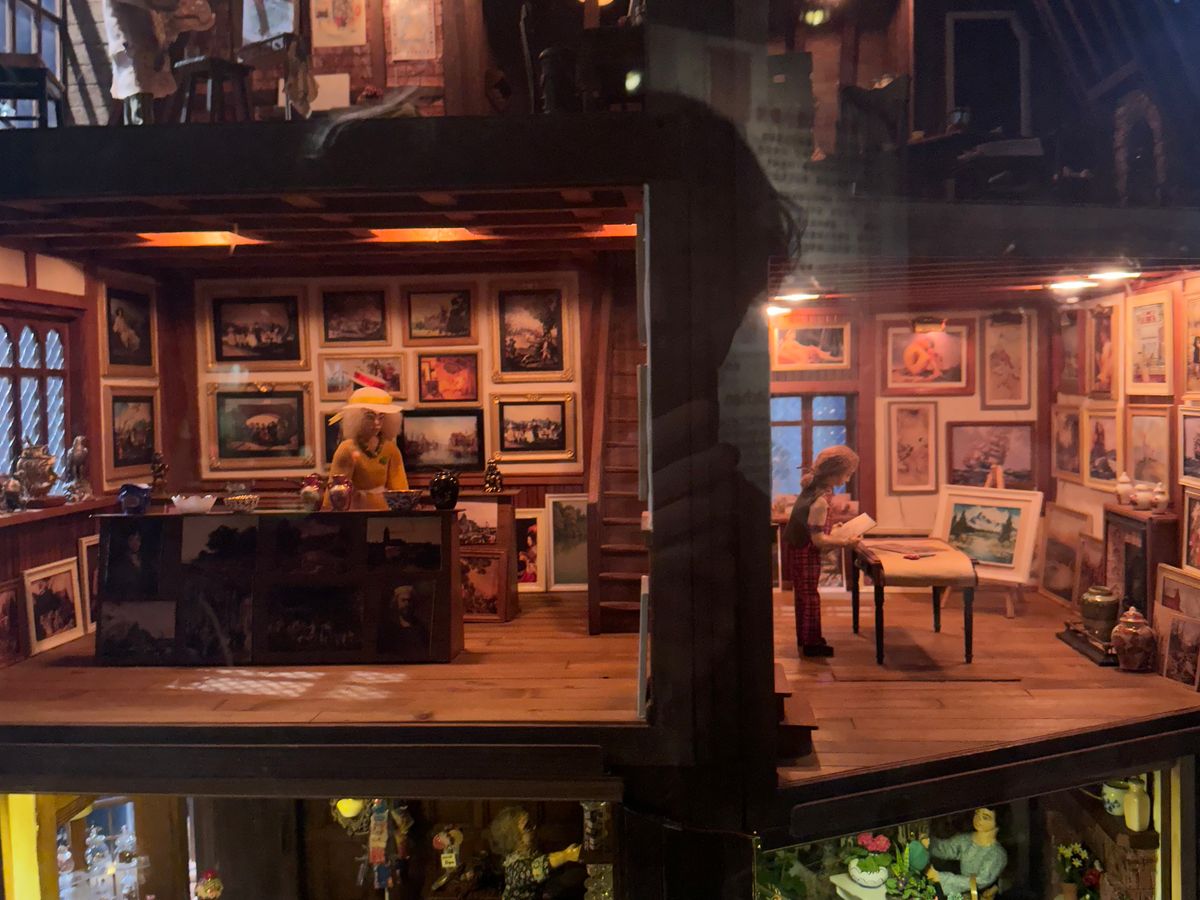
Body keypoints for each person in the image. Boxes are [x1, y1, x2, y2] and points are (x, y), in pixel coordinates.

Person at [783, 445, 861, 657]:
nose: (847, 479)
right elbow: (817, 540)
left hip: (797, 547)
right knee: (810, 597)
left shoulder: (811, 490)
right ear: (834, 473)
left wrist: (834, 530)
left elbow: (814, 529)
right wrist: (846, 542)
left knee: (803, 596)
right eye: (846, 474)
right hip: (806, 551)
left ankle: (806, 637)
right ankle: (812, 642)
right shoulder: (820, 501)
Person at [325, 378, 410, 511]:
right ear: (356, 418)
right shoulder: (347, 449)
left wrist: (404, 512)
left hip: (384, 513)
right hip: (355, 513)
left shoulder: (390, 449)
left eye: (381, 417)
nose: (376, 423)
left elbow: (399, 489)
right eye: (370, 417)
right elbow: (335, 493)